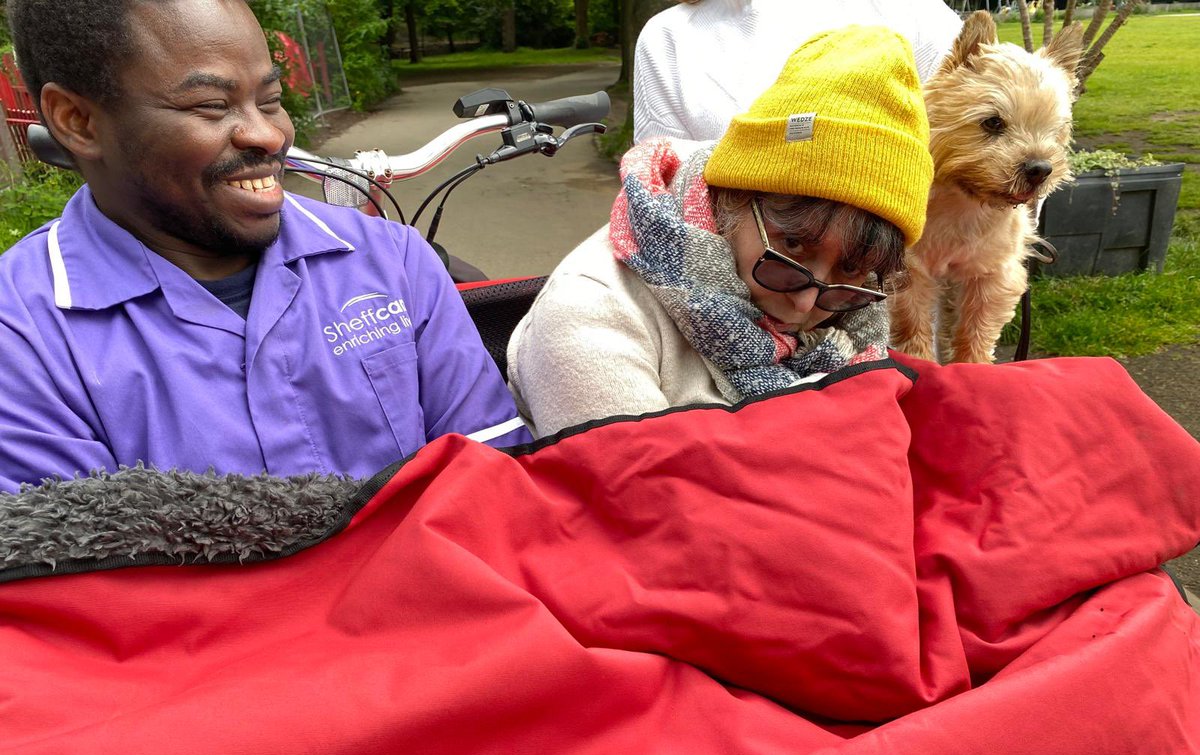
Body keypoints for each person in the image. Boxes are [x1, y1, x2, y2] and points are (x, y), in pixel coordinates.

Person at [0, 0, 530, 494]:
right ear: (77, 120)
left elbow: (492, 483)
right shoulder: (22, 340)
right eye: (211, 105)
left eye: (271, 100)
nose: (270, 136)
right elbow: (80, 578)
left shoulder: (392, 260)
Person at [507, 25, 933, 437]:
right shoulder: (591, 319)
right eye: (793, 245)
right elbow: (638, 502)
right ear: (730, 195)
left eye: (852, 271)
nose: (805, 303)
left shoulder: (856, 315)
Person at [633, 0, 962, 144]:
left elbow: (971, 147)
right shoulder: (668, 38)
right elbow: (658, 189)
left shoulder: (917, 15)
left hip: (894, 279)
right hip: (715, 278)